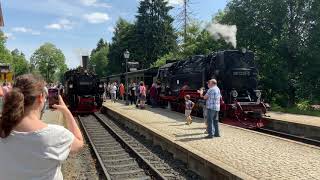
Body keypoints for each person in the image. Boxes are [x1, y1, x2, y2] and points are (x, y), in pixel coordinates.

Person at [0, 74, 84, 179]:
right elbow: (79, 142)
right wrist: (66, 112)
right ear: (40, 98)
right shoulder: (56, 135)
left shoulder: (3, 128)